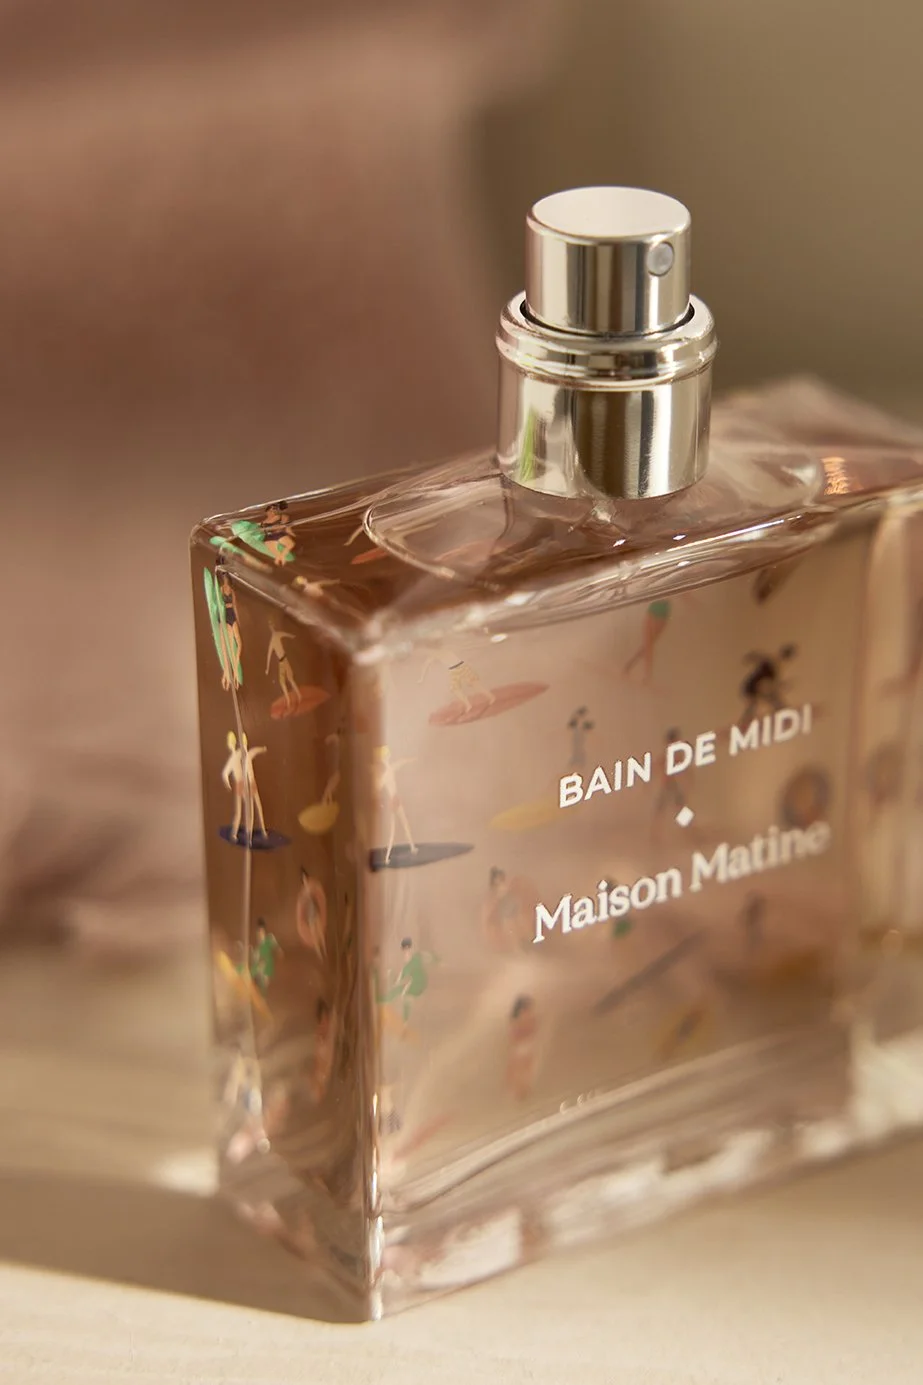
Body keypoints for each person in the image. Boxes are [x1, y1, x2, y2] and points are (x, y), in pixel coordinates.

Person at [221, 731, 268, 843]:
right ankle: (247, 834)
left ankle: (245, 834)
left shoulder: (239, 755)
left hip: (245, 783)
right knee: (248, 810)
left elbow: (225, 774)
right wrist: (262, 749)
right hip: (244, 783)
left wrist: (228, 784)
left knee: (246, 810)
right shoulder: (239, 755)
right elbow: (225, 774)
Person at [373, 746, 417, 864]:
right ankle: (387, 857)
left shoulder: (390, 769)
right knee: (393, 830)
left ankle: (412, 847)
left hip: (396, 799)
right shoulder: (386, 774)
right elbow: (378, 787)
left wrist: (410, 760)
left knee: (405, 824)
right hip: (393, 801)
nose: (388, 757)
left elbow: (400, 763)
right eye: (386, 756)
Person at [738, 645, 797, 726]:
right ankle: (785, 715)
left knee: (768, 700)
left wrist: (782, 685)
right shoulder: (772, 662)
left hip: (757, 688)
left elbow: (771, 683)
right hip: (753, 687)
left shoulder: (775, 666)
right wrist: (750, 657)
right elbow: (760, 657)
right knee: (770, 700)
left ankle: (784, 714)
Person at [623, 600, 671, 682]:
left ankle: (634, 666)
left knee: (648, 644)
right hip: (661, 609)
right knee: (648, 644)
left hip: (658, 608)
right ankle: (643, 672)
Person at [506, 995, 538, 1099]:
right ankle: (519, 1089)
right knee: (522, 1067)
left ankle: (520, 1089)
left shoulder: (523, 1018)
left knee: (524, 1067)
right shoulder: (523, 1018)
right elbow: (519, 1033)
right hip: (523, 1047)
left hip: (524, 1046)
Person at [265, 619, 300, 709]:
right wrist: (267, 668)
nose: (272, 627)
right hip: (282, 661)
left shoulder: (276, 636)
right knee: (284, 681)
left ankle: (297, 696)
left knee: (289, 679)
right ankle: (290, 699)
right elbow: (269, 655)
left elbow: (285, 634)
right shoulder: (273, 640)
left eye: (272, 625)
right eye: (270, 626)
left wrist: (292, 636)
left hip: (284, 660)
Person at [250, 919, 282, 994]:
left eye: (261, 931)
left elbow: (275, 947)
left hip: (263, 967)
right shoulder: (258, 948)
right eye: (258, 931)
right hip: (259, 966)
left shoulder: (269, 939)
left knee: (262, 980)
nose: (259, 933)